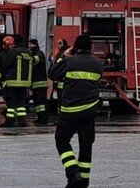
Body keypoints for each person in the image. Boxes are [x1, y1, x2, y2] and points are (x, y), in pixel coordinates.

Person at [49, 34, 103, 188]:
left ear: (75, 47)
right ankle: (83, 181)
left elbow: (52, 74)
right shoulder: (99, 64)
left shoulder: (69, 61)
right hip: (89, 110)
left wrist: (63, 57)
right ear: (91, 47)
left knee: (61, 140)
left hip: (70, 109)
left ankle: (73, 173)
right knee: (86, 145)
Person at [0, 35, 32, 126]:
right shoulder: (28, 52)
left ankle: (10, 121)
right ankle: (22, 121)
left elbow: (5, 65)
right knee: (21, 103)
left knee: (11, 103)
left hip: (12, 82)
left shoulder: (13, 52)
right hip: (24, 83)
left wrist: (0, 80)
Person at [28, 38, 50, 125]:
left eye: (31, 44)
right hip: (35, 83)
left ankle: (44, 118)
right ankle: (40, 117)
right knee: (37, 102)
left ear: (35, 45)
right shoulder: (33, 53)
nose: (30, 46)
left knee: (41, 102)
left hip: (40, 83)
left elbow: (34, 60)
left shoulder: (39, 54)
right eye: (29, 44)